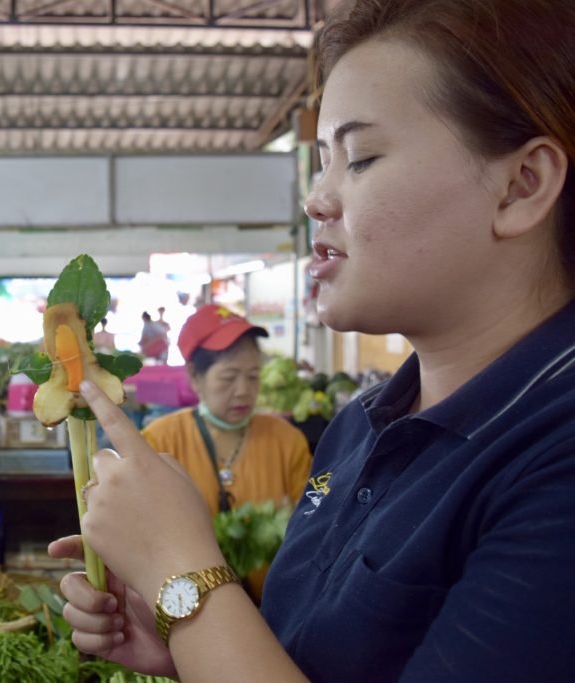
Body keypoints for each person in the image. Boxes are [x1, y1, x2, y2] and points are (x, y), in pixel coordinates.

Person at [47, 1, 575, 681]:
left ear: (520, 187)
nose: (316, 200)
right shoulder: (359, 424)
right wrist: (184, 638)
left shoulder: (553, 461)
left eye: (359, 159)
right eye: (321, 163)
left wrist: (184, 574)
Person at [140, 305, 312, 604]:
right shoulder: (161, 441)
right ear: (195, 376)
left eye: (253, 376)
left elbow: (312, 529)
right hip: (188, 608)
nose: (244, 391)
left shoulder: (288, 441)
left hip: (275, 609)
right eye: (229, 377)